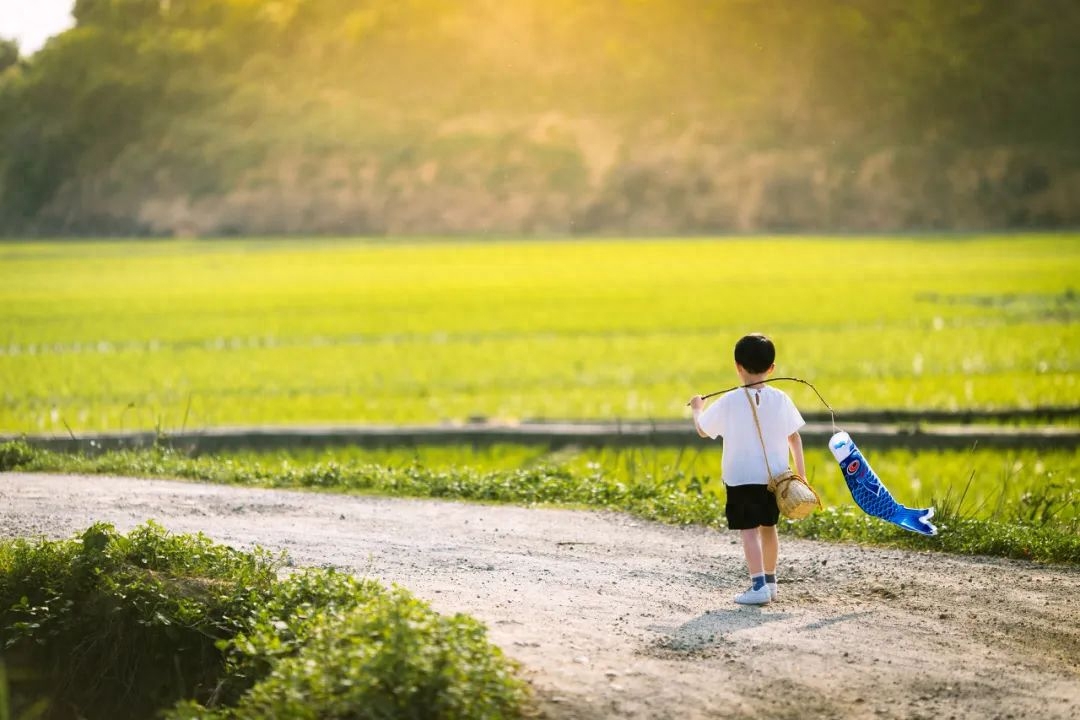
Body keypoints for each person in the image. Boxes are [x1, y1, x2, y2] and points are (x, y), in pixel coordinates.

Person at [688, 333, 805, 606]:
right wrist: (801, 476)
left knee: (749, 530)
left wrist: (697, 408)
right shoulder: (781, 399)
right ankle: (771, 581)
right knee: (769, 527)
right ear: (772, 368)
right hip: (775, 478)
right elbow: (795, 438)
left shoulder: (730, 401)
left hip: (740, 478)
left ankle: (757, 586)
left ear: (737, 366)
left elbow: (703, 430)